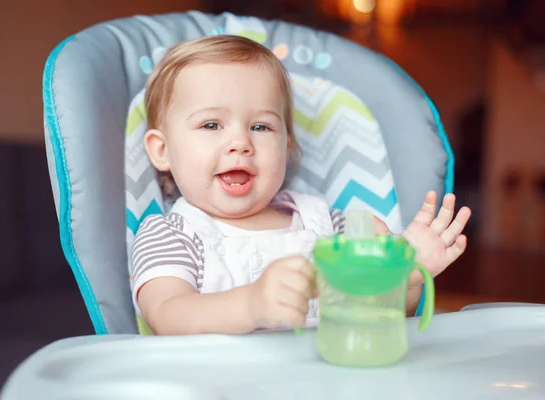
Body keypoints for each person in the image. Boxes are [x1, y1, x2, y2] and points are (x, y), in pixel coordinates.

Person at [130, 35, 471, 335]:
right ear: (162, 151)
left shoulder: (329, 227)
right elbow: (167, 314)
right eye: (211, 124)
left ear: (286, 147)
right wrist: (250, 304)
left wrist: (405, 277)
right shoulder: (170, 235)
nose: (240, 142)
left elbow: (382, 318)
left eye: (261, 127)